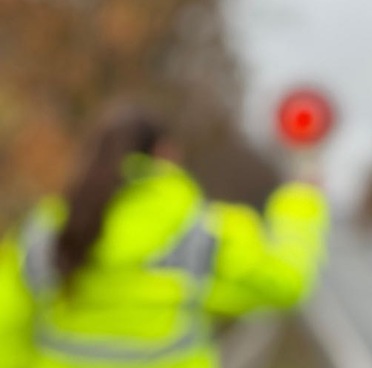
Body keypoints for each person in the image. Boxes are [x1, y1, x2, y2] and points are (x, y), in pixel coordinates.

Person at [0, 105, 329, 367]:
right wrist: (301, 200)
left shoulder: (46, 232)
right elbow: (288, 282)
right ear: (166, 154)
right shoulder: (204, 233)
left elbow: (6, 329)